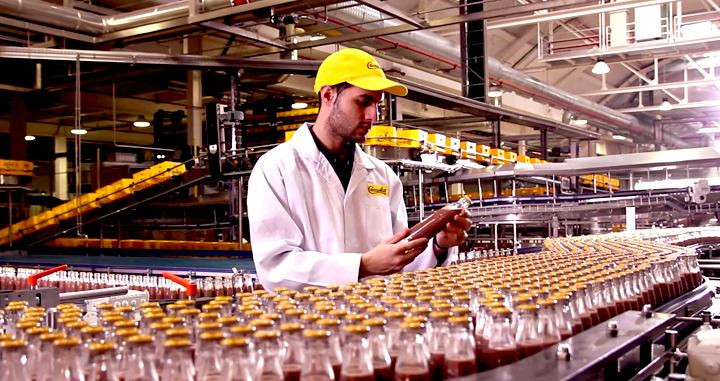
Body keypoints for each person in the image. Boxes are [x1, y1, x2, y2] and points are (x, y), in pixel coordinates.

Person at [247, 48, 472, 291]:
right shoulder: (276, 169)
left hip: (376, 320)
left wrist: (438, 245)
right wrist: (362, 266)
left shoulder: (383, 176)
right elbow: (276, 268)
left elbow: (400, 263)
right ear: (328, 95)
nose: (372, 116)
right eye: (363, 101)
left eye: (377, 104)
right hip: (309, 322)